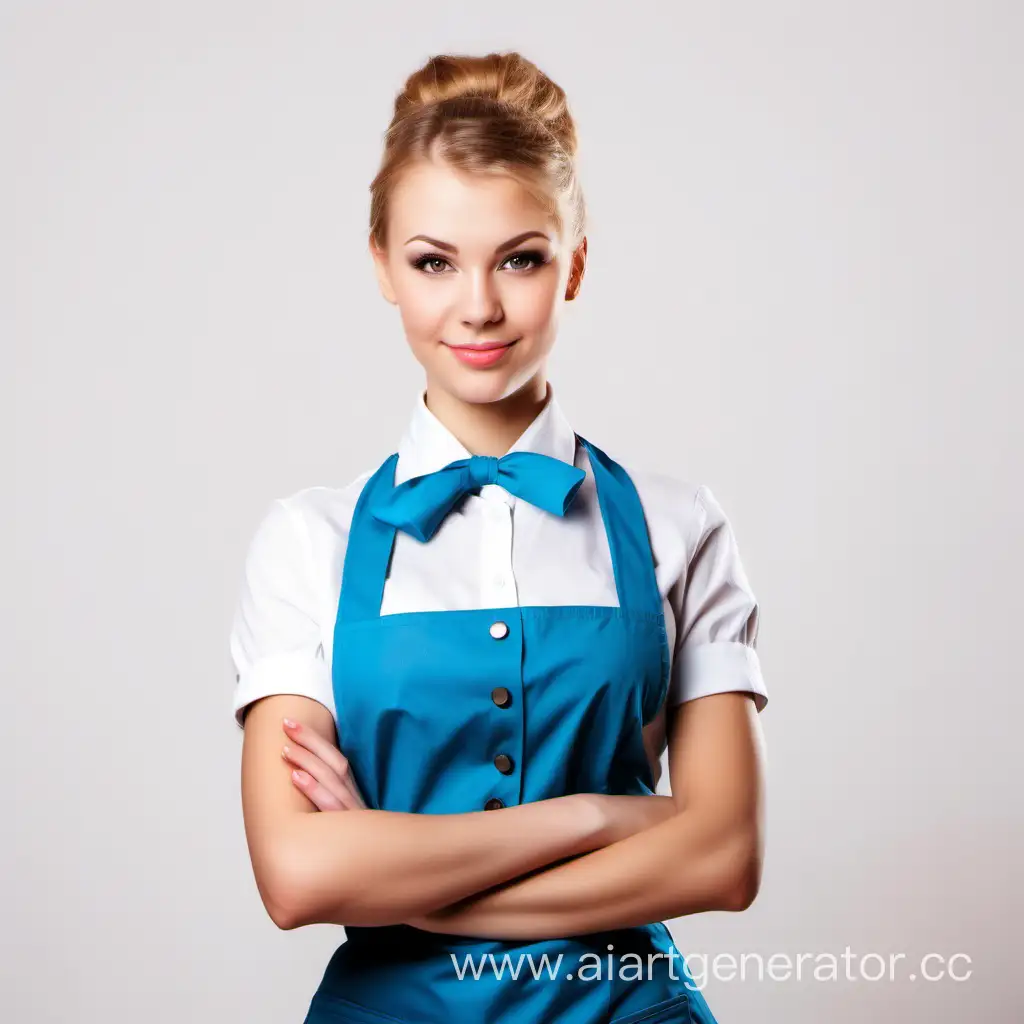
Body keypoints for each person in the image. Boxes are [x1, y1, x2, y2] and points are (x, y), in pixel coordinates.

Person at [229, 50, 767, 1024]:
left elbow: (723, 857)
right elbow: (298, 875)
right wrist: (598, 814)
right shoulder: (308, 540)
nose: (477, 306)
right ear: (382, 267)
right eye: (434, 260)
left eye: (519, 258)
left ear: (576, 264)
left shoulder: (679, 525)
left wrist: (414, 892)